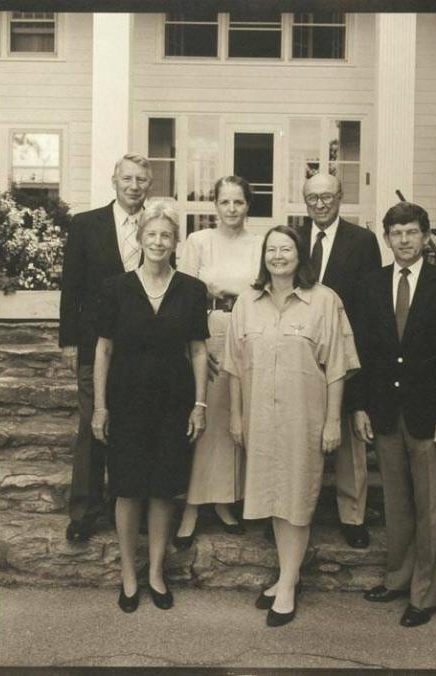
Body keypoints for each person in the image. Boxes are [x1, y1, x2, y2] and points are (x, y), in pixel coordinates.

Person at [224, 225, 360, 627]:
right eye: (271, 249)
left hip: (306, 419)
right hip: (260, 418)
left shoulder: (324, 301)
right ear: (263, 256)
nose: (278, 256)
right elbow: (233, 365)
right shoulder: (247, 302)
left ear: (300, 256)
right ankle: (289, 575)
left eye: (286, 249)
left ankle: (286, 586)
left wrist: (333, 420)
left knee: (296, 500)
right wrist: (235, 415)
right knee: (273, 498)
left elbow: (337, 367)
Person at [354, 202, 436, 627]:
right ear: (387, 238)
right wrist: (362, 405)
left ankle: (425, 594)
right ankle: (397, 578)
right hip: (386, 410)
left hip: (430, 414)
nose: (404, 240)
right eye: (396, 233)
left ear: (425, 237)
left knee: (430, 507)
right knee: (397, 505)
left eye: (411, 232)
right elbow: (364, 353)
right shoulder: (372, 284)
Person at [91, 202, 209, 612]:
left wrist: (199, 404)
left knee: (162, 490)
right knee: (127, 489)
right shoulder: (115, 288)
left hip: (172, 405)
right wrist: (100, 407)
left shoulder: (193, 290)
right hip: (125, 403)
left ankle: (156, 572)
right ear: (139, 239)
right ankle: (128, 574)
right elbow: (103, 351)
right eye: (151, 234)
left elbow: (197, 351)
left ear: (175, 242)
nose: (158, 242)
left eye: (166, 236)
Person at [59, 153, 153, 542]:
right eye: (127, 178)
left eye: (142, 180)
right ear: (114, 181)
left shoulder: (157, 225)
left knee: (135, 426)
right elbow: (72, 287)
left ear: (150, 184)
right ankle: (85, 509)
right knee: (92, 425)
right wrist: (68, 341)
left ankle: (131, 505)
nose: (134, 186)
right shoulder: (86, 225)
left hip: (143, 346)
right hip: (93, 342)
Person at [174, 176, 262, 548]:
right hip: (206, 332)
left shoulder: (259, 244)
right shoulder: (199, 242)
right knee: (203, 418)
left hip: (247, 332)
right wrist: (196, 343)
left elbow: (262, 290)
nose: (231, 209)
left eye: (238, 202)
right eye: (224, 202)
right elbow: (184, 293)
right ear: (215, 205)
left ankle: (226, 500)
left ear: (247, 205)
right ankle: (191, 506)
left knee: (231, 420)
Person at [297, 172, 382, 549]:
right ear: (305, 200)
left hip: (345, 347)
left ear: (340, 197)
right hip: (302, 352)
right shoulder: (294, 239)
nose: (320, 203)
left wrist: (359, 372)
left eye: (327, 196)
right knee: (299, 441)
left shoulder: (362, 242)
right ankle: (295, 512)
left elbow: (369, 307)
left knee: (348, 438)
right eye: (313, 197)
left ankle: (353, 516)